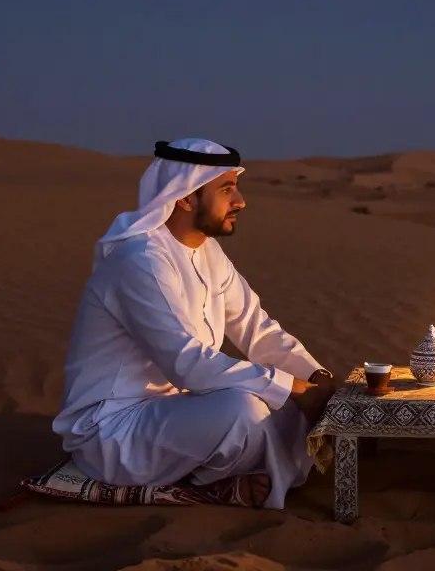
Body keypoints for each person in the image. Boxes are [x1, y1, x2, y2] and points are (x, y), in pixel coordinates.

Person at [52, 138, 336, 509]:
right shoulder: (139, 261)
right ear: (186, 197)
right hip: (115, 429)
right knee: (243, 411)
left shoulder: (208, 252)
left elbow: (258, 330)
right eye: (226, 189)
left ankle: (236, 471)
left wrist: (318, 381)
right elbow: (189, 365)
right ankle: (207, 484)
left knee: (285, 410)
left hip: (178, 411)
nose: (241, 201)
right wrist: (296, 390)